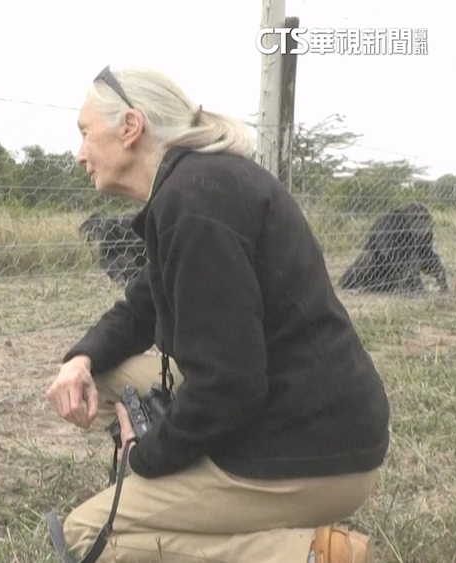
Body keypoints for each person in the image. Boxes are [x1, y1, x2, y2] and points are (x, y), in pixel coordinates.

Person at [45, 65, 391, 563]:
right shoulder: (196, 186)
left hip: (308, 451)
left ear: (130, 127)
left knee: (88, 540)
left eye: (84, 133)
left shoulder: (194, 203)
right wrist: (80, 359)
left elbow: (230, 386)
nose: (79, 154)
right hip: (312, 417)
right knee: (101, 381)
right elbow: (142, 305)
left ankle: (311, 555)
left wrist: (145, 456)